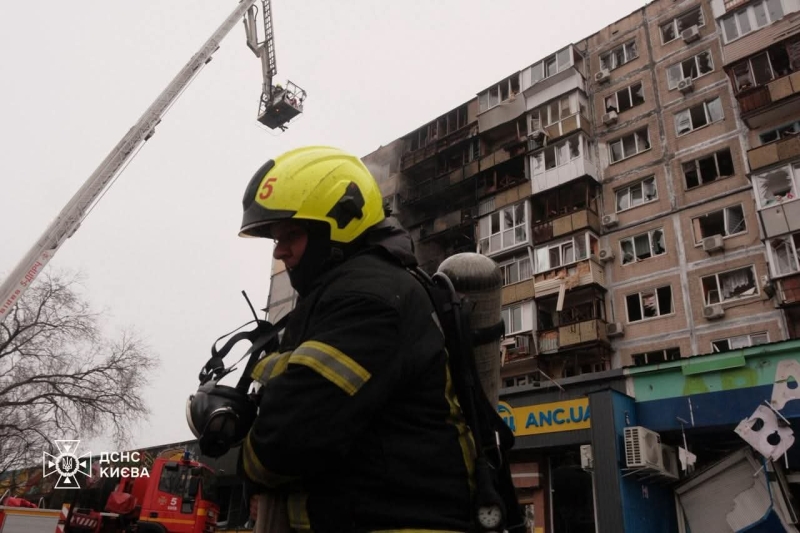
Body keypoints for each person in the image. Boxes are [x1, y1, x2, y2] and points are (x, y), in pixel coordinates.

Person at [237, 146, 475, 532]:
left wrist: (244, 449)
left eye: (291, 234)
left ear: (340, 223)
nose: (280, 251)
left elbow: (286, 442)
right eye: (276, 239)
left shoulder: (367, 300)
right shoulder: (347, 293)